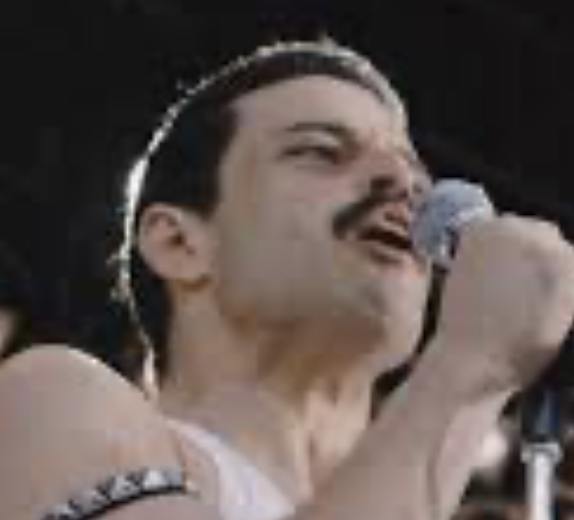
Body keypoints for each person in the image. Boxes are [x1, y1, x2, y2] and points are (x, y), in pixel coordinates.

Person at [1, 38, 574, 520]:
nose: (404, 184)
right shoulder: (52, 403)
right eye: (321, 152)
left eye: (412, 168)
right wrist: (471, 366)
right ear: (179, 242)